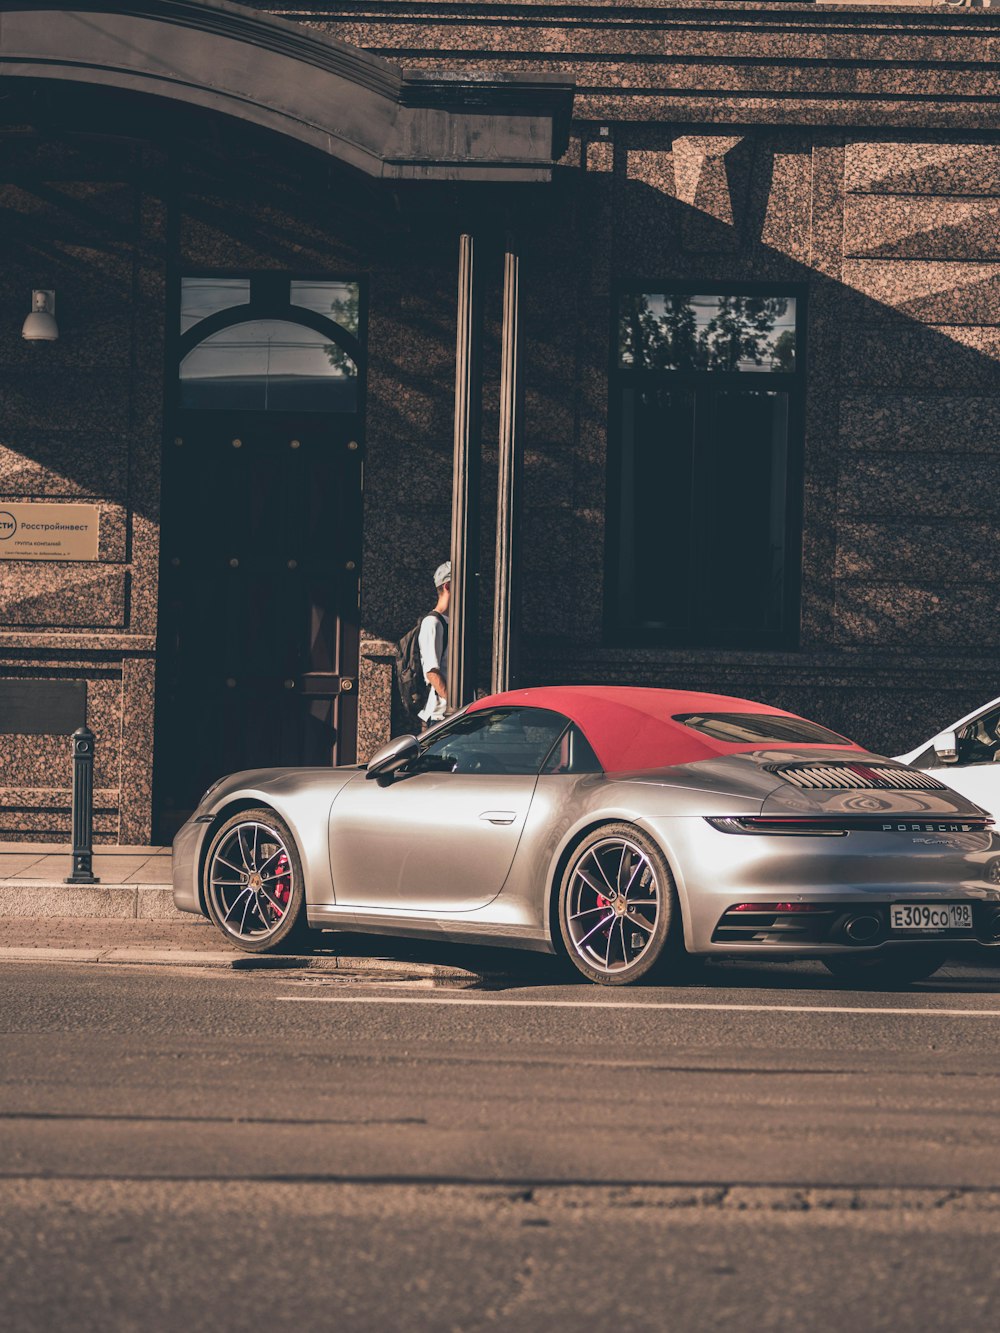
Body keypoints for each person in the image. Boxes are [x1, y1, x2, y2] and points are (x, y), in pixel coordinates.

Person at [418, 560, 450, 728]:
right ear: (447, 586)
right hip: (441, 716)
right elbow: (432, 672)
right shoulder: (433, 623)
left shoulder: (452, 622)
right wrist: (454, 704)